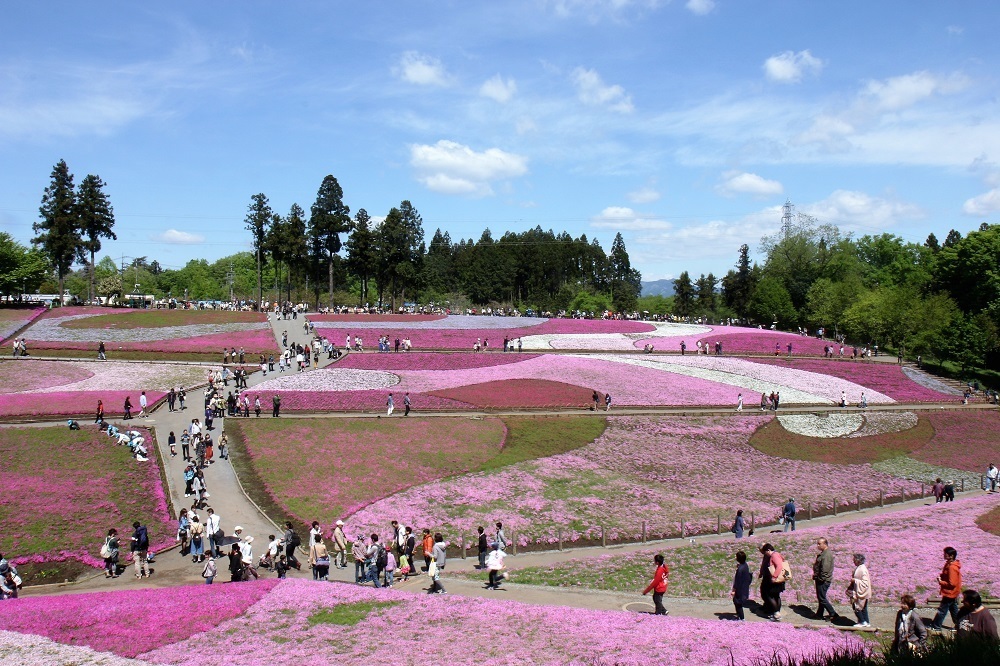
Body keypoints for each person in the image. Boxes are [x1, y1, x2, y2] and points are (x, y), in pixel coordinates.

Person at [929, 546, 962, 630]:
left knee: (942, 610)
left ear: (951, 556)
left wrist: (940, 582)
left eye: (945, 554)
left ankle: (936, 626)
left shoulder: (952, 567)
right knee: (953, 609)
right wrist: (942, 576)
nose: (944, 555)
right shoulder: (949, 564)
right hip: (952, 593)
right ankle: (959, 625)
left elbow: (952, 583)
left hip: (950, 592)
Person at [812, 538, 839, 621]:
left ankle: (833, 613)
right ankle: (819, 614)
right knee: (821, 597)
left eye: (819, 544)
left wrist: (820, 578)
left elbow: (825, 570)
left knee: (822, 598)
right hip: (821, 579)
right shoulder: (823, 553)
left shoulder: (826, 555)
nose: (818, 545)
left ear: (825, 544)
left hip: (823, 580)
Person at [758, 543, 786, 621]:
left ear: (768, 550)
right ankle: (777, 612)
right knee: (776, 595)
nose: (765, 554)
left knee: (769, 595)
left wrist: (774, 577)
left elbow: (779, 566)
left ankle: (776, 613)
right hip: (778, 579)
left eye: (765, 552)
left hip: (775, 579)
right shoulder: (776, 554)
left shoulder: (774, 555)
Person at [847, 553, 872, 627]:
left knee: (857, 606)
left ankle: (862, 621)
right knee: (864, 607)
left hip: (862, 592)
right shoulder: (861, 568)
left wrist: (855, 580)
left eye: (854, 560)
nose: (853, 561)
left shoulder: (862, 569)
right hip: (864, 591)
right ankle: (866, 622)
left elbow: (865, 583)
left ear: (858, 560)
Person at [730, 550, 752, 621]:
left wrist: (733, 590)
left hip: (740, 588)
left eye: (736, 556)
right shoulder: (745, 565)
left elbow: (737, 581)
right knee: (737, 602)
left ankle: (741, 618)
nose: (735, 557)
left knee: (737, 603)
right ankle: (739, 616)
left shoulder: (740, 569)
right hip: (744, 587)